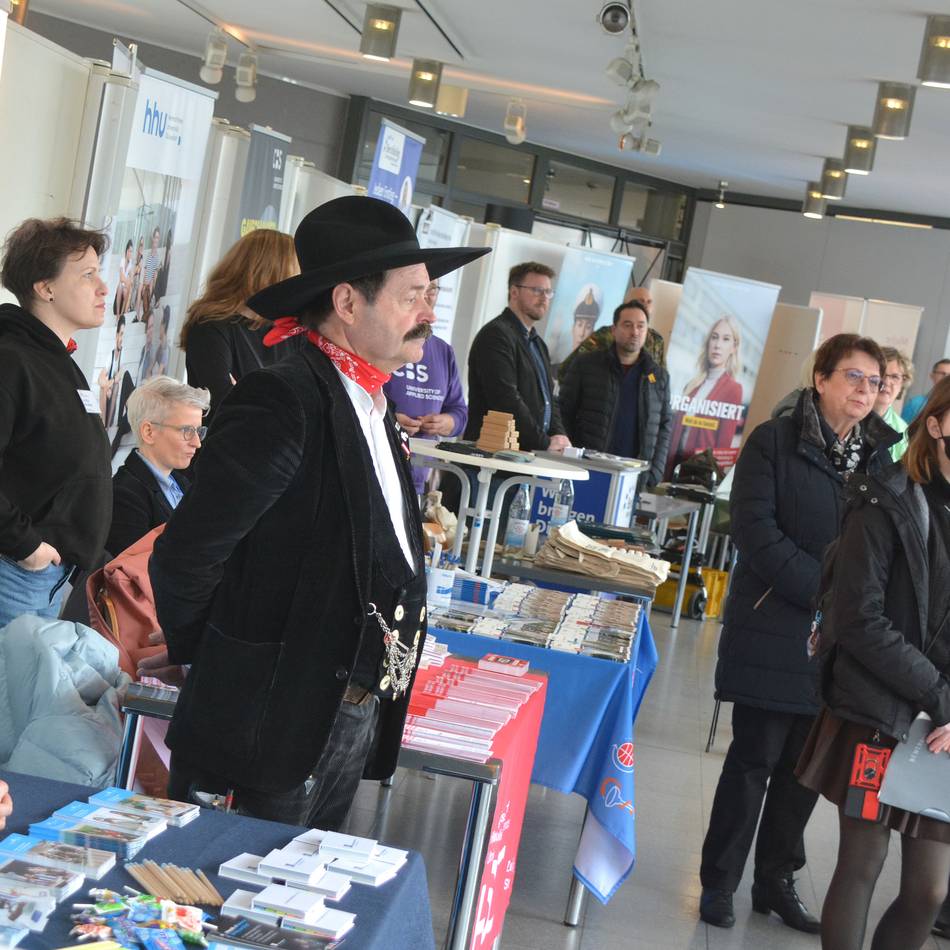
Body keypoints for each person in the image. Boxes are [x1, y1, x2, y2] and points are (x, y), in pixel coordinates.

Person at [149, 195, 489, 828]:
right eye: (412, 295)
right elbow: (187, 553)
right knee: (226, 905)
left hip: (348, 711)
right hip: (269, 719)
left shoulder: (373, 402)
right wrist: (227, 665)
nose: (429, 311)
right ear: (348, 303)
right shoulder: (283, 398)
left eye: (431, 295)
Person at [698, 334, 898, 933]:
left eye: (874, 382)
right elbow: (754, 531)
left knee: (802, 771)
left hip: (838, 644)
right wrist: (830, 593)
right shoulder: (774, 440)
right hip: (772, 623)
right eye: (853, 378)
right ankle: (719, 881)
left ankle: (775, 881)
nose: (865, 391)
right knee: (753, 760)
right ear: (821, 378)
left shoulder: (878, 458)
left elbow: (883, 546)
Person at [796, 376, 950, 950]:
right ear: (934, 425)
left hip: (941, 721)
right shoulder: (885, 498)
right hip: (877, 707)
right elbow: (859, 619)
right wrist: (940, 696)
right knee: (863, 861)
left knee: (929, 890)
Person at [0, 217, 112, 627]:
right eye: (87, 275)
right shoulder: (12, 360)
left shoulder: (57, 360)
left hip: (48, 578)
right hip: (14, 574)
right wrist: (27, 546)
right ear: (45, 288)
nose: (103, 288)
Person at [180, 229, 303, 419]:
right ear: (268, 274)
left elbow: (305, 401)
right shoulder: (210, 328)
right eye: (293, 272)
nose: (297, 282)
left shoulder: (289, 329)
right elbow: (225, 404)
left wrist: (249, 395)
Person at [558, 300, 671, 487]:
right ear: (614, 329)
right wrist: (572, 456)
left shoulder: (658, 377)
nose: (635, 332)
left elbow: (664, 426)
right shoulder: (586, 365)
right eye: (627, 325)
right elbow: (563, 412)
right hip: (585, 472)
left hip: (631, 478)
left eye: (640, 326)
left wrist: (655, 471)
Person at [464, 261, 570, 452]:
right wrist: (544, 443)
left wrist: (558, 435)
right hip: (494, 456)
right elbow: (506, 399)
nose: (544, 298)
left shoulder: (538, 343)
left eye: (548, 292)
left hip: (528, 455)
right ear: (514, 292)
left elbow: (549, 399)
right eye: (537, 290)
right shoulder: (496, 335)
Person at [107, 376, 210, 557]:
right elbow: (133, 575)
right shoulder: (125, 496)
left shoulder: (182, 483)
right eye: (187, 431)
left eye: (199, 432)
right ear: (149, 432)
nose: (197, 443)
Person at [383, 280, 467, 493]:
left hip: (421, 476)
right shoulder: (382, 343)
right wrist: (391, 421)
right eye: (419, 290)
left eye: (433, 289)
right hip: (380, 467)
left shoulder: (443, 350)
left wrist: (447, 422)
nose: (428, 296)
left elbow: (460, 413)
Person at [668, 316, 744, 475]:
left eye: (725, 339)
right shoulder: (692, 385)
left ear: (734, 347)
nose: (717, 345)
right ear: (708, 342)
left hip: (700, 473)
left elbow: (723, 444)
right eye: (714, 337)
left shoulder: (733, 389)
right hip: (673, 466)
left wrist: (712, 479)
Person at [557, 283, 665, 384]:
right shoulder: (604, 336)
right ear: (626, 305)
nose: (645, 306)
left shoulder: (656, 340)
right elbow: (566, 371)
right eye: (640, 302)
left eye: (649, 302)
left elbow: (661, 381)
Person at [873, 346, 913, 461]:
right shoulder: (849, 415)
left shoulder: (903, 431)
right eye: (881, 373)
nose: (886, 382)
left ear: (903, 384)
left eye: (895, 377)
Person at [902, 358, 950, 423]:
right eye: (943, 374)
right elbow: (900, 431)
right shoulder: (915, 404)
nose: (946, 378)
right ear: (932, 376)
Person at [98, 313, 126, 425]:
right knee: (103, 387)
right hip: (107, 394)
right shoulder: (111, 354)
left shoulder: (124, 353)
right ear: (116, 335)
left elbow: (119, 375)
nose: (122, 339)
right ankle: (102, 423)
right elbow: (102, 374)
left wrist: (109, 383)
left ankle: (106, 424)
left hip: (114, 395)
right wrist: (104, 383)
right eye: (121, 334)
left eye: (124, 335)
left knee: (115, 386)